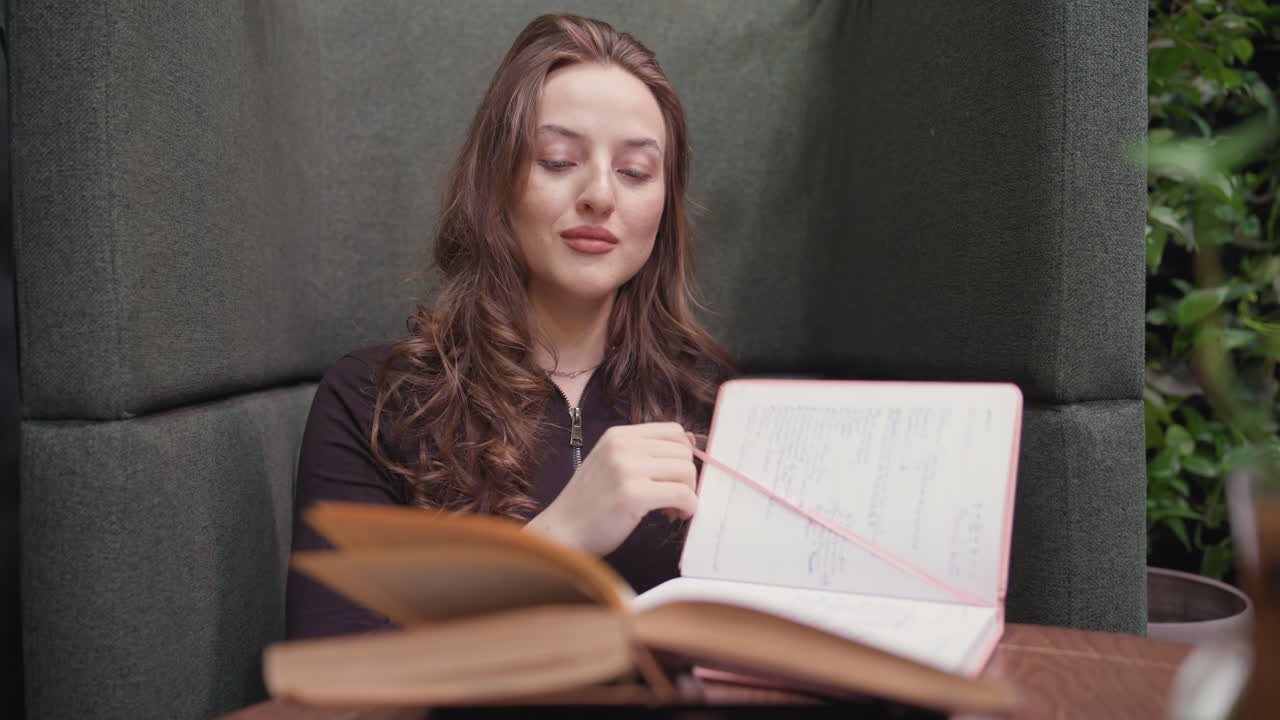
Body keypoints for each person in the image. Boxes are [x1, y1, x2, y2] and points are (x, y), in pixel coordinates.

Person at [285, 13, 735, 640]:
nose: (600, 195)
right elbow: (332, 687)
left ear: (663, 206)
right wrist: (559, 537)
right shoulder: (375, 401)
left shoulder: (723, 409)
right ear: (496, 183)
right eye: (557, 160)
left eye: (635, 172)